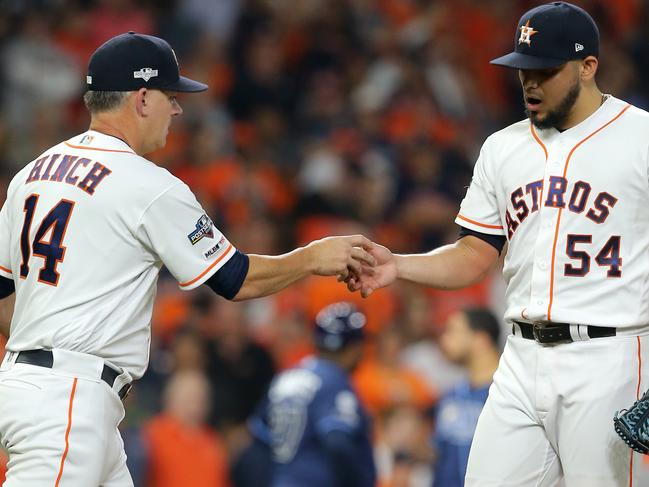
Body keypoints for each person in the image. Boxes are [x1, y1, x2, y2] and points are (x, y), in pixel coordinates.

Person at [0, 32, 375, 486]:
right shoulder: (146, 183)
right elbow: (235, 279)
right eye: (170, 96)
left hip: (33, 388)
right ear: (141, 98)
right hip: (70, 399)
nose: (177, 109)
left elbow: (4, 299)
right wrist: (312, 257)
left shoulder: (32, 174)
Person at [349, 2, 649, 485]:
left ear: (588, 66)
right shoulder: (503, 147)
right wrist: (398, 266)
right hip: (520, 358)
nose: (530, 82)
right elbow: (473, 254)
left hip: (611, 360)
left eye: (545, 70)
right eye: (522, 70)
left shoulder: (641, 138)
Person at [250, 302, 376, 487]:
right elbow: (337, 440)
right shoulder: (333, 381)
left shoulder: (285, 378)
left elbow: (258, 443)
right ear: (352, 348)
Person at [432, 308, 501, 487]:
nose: (444, 340)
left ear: (481, 340)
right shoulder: (451, 395)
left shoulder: (509, 395)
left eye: (453, 331)